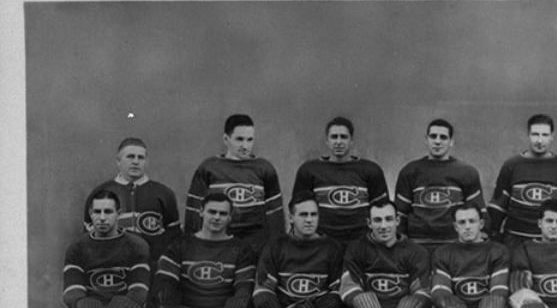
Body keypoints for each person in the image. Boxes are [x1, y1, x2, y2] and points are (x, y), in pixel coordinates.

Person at [185, 114, 285, 255]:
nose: (245, 146)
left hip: (256, 244)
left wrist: (277, 249)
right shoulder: (208, 168)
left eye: (249, 140)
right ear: (226, 139)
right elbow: (193, 211)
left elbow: (275, 215)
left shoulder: (265, 168)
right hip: (219, 241)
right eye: (239, 139)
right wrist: (192, 245)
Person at [82, 137, 181, 267]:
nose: (135, 162)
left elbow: (173, 236)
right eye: (130, 157)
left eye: (140, 158)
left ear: (146, 162)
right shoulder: (101, 192)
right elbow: (89, 235)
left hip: (152, 267)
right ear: (118, 161)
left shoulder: (163, 193)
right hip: (113, 266)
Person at [292, 116, 389, 245]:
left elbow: (382, 210)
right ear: (327, 141)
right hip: (322, 242)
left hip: (360, 242)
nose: (338, 142)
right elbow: (298, 211)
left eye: (343, 137)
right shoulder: (309, 170)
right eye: (334, 137)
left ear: (351, 141)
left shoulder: (371, 170)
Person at [487, 114, 557, 248]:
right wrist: (492, 234)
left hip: (551, 242)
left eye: (545, 135)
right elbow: (499, 205)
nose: (540, 140)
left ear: (552, 136)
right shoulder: (511, 165)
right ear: (528, 135)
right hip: (515, 239)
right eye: (535, 134)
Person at [394, 118, 486, 249]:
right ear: (426, 140)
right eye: (433, 136)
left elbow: (478, 211)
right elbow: (400, 213)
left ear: (451, 142)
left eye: (443, 137)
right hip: (418, 243)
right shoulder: (410, 171)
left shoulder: (467, 172)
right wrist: (402, 243)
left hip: (454, 243)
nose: (437, 141)